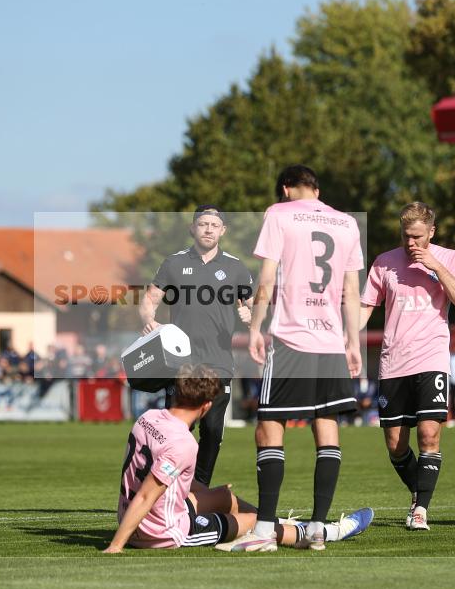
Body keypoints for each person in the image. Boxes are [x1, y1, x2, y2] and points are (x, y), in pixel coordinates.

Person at [103, 364, 373, 553]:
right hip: (162, 532)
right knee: (254, 527)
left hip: (144, 514)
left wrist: (212, 495)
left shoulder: (147, 418)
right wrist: (116, 546)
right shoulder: (183, 443)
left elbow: (163, 484)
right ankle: (322, 532)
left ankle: (276, 521)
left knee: (225, 497)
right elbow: (146, 496)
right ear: (207, 406)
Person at [236, 164, 364, 552]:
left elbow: (267, 279)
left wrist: (255, 328)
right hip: (330, 342)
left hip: (292, 338)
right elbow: (352, 289)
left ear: (286, 189)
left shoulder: (278, 213)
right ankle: (317, 527)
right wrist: (354, 342)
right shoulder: (347, 223)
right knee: (325, 427)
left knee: (269, 426)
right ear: (318, 190)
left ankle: (264, 528)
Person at [360, 201, 455, 531]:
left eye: (417, 237)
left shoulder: (449, 258)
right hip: (393, 363)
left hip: (432, 359)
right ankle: (419, 489)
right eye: (405, 236)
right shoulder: (384, 263)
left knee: (429, 434)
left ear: (431, 233)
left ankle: (421, 509)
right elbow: (365, 309)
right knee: (396, 446)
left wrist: (435, 265)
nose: (410, 243)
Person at [139, 204, 253, 486]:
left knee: (213, 431)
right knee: (175, 432)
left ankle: (197, 490)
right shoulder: (174, 263)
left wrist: (250, 314)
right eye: (203, 224)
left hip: (219, 363)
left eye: (214, 225)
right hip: (180, 363)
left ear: (223, 231)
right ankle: (166, 489)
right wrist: (148, 319)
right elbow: (150, 299)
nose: (209, 229)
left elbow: (254, 306)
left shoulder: (236, 267)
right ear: (193, 228)